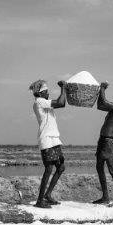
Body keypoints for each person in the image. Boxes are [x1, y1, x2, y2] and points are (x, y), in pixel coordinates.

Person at [30, 79, 66, 208]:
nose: (48, 93)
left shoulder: (44, 102)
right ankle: (39, 201)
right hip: (47, 139)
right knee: (49, 169)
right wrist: (63, 88)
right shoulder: (40, 102)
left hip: (54, 139)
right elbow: (61, 103)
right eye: (46, 91)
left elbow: (61, 103)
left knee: (60, 167)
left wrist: (64, 90)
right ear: (40, 93)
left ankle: (47, 195)